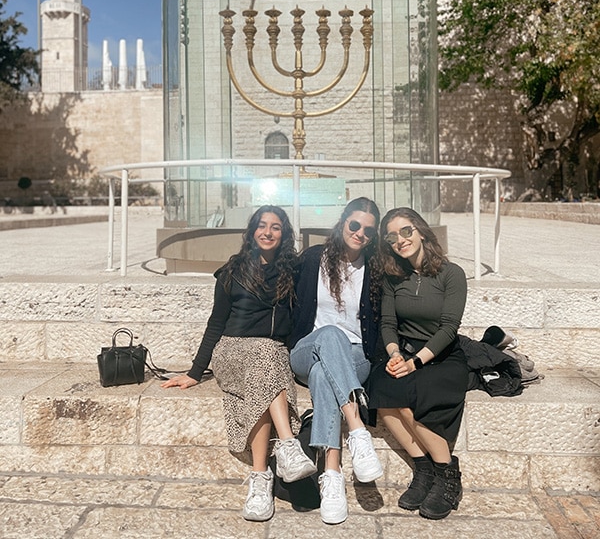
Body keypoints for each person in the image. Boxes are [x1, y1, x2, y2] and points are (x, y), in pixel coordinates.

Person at [161, 205, 317, 522]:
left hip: (270, 354)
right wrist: (194, 372)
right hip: (231, 351)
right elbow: (216, 324)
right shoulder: (232, 272)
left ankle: (261, 481)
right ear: (252, 231)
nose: (268, 232)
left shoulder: (293, 272)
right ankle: (287, 445)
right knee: (263, 356)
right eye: (262, 225)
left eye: (276, 227)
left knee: (265, 361)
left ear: (284, 234)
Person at [367, 206, 469, 520]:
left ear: (421, 231)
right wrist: (396, 353)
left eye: (406, 231)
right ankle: (423, 470)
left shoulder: (452, 274)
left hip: (442, 355)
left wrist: (416, 363)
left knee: (420, 397)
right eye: (392, 236)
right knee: (381, 393)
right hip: (407, 352)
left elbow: (449, 327)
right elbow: (387, 323)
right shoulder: (393, 277)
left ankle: (448, 475)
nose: (400, 240)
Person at [289, 197, 383, 525]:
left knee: (321, 376)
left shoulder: (374, 267)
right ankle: (357, 430)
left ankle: (331, 475)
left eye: (368, 230)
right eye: (354, 225)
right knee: (329, 336)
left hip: (354, 358)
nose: (360, 233)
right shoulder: (314, 258)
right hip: (308, 348)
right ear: (342, 222)